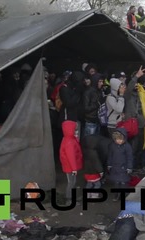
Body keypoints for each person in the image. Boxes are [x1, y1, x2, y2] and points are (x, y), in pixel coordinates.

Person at [59, 72, 83, 205]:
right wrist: (74, 167)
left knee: (72, 182)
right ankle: (69, 199)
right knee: (71, 182)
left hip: (71, 166)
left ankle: (71, 197)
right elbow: (70, 155)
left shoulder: (69, 139)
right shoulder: (69, 141)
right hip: (70, 167)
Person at [107, 128, 134, 201]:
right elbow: (110, 155)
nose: (119, 141)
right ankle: (116, 195)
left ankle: (123, 195)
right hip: (115, 167)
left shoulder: (127, 147)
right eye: (117, 139)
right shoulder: (112, 145)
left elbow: (130, 157)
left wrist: (129, 167)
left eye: (120, 139)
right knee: (116, 183)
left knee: (123, 183)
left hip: (123, 168)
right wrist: (109, 164)